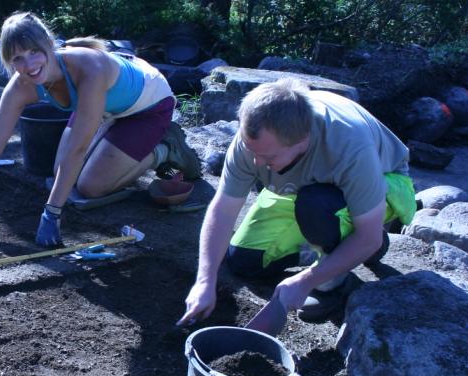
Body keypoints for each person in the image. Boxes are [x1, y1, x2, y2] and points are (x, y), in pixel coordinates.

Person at [0, 12, 201, 246]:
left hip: (147, 105)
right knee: (60, 173)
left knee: (90, 186)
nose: (29, 65)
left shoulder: (87, 69)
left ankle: (166, 149)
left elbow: (78, 149)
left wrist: (52, 212)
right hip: (104, 109)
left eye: (34, 52)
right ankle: (119, 138)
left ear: (49, 45)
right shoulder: (21, 85)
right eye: (18, 59)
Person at [178, 78, 416, 326]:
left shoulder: (349, 146)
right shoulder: (254, 142)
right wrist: (205, 280)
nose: (257, 163)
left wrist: (307, 281)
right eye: (252, 152)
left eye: (267, 156)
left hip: (384, 185)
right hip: (301, 189)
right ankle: (336, 248)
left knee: (317, 206)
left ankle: (331, 285)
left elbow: (368, 237)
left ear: (303, 140)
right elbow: (224, 209)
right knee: (244, 259)